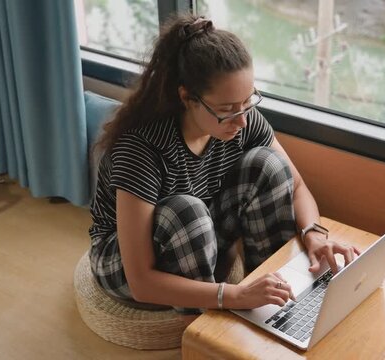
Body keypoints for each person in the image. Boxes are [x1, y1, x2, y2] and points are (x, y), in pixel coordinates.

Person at [89, 13, 360, 322]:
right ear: (187, 98)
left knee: (268, 165)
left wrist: (314, 234)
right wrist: (233, 295)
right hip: (126, 263)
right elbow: (140, 281)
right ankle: (210, 322)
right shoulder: (141, 148)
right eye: (227, 110)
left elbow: (296, 186)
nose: (242, 120)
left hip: (198, 231)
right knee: (186, 212)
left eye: (248, 103)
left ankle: (275, 302)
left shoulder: (240, 118)